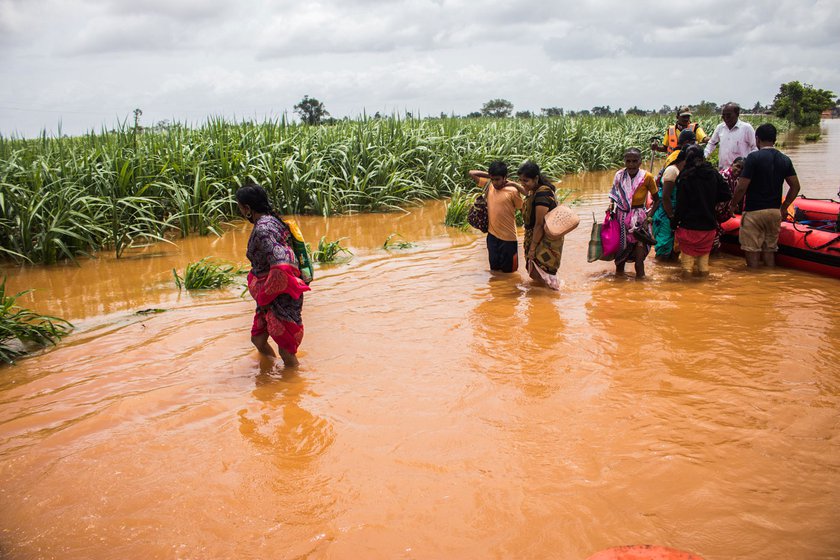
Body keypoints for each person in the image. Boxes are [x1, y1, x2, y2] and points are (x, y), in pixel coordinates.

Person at [236, 182, 311, 367]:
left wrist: (264, 297)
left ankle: (293, 388)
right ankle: (270, 371)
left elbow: (281, 266)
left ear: (247, 208)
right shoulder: (271, 220)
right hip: (270, 295)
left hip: (278, 295)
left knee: (286, 349)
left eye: (239, 207)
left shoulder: (263, 229)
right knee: (259, 340)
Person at [730, 123, 801, 268]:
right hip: (774, 212)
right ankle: (770, 276)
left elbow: (741, 187)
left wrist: (732, 205)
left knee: (752, 251)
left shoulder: (753, 158)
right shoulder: (785, 159)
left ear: (757, 139)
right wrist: (784, 206)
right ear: (774, 139)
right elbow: (795, 186)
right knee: (770, 250)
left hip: (754, 212)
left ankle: (754, 282)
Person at [672, 145, 732, 276]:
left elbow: (680, 205)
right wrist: (711, 200)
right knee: (703, 265)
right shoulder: (713, 174)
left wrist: (674, 223)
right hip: (708, 226)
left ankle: (687, 292)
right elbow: (727, 194)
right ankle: (704, 289)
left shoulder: (685, 177)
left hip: (688, 226)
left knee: (687, 265)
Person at [608, 148, 660, 278]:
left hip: (640, 220)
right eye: (628, 161)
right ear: (624, 161)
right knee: (620, 260)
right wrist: (610, 206)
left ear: (640, 162)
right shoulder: (619, 175)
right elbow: (614, 194)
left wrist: (649, 217)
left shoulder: (647, 177)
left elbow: (657, 200)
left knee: (639, 260)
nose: (631, 165)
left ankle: (640, 290)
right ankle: (619, 288)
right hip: (621, 217)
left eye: (634, 161)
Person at [469, 162, 524, 273]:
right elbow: (472, 173)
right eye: (492, 179)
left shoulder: (512, 191)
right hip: (492, 237)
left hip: (509, 239)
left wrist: (513, 184)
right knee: (494, 272)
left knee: (510, 274)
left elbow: (523, 209)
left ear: (505, 178)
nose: (495, 182)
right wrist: (490, 175)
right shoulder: (489, 186)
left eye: (497, 179)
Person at [518, 161, 563, 290]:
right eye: (520, 181)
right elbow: (527, 193)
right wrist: (514, 185)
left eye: (525, 181)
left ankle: (550, 300)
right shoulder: (535, 191)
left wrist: (532, 249)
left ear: (536, 178)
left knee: (543, 275)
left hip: (542, 240)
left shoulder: (542, 194)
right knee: (541, 274)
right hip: (539, 238)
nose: (523, 184)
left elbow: (539, 224)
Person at [651, 130, 696, 260]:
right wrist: (671, 216)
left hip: (674, 212)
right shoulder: (672, 170)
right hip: (666, 213)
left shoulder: (682, 170)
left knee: (674, 248)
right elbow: (665, 197)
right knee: (664, 248)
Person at [704, 102, 757, 170]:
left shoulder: (746, 128)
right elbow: (711, 144)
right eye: (723, 116)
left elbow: (755, 148)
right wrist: (704, 157)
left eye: (728, 115)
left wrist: (746, 162)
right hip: (723, 171)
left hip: (740, 172)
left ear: (737, 114)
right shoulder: (720, 128)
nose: (726, 118)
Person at [713, 157, 745, 250]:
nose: (739, 170)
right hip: (714, 211)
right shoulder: (724, 176)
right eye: (737, 166)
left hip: (720, 213)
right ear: (732, 164)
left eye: (742, 169)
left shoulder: (735, 180)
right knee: (713, 242)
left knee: (715, 241)